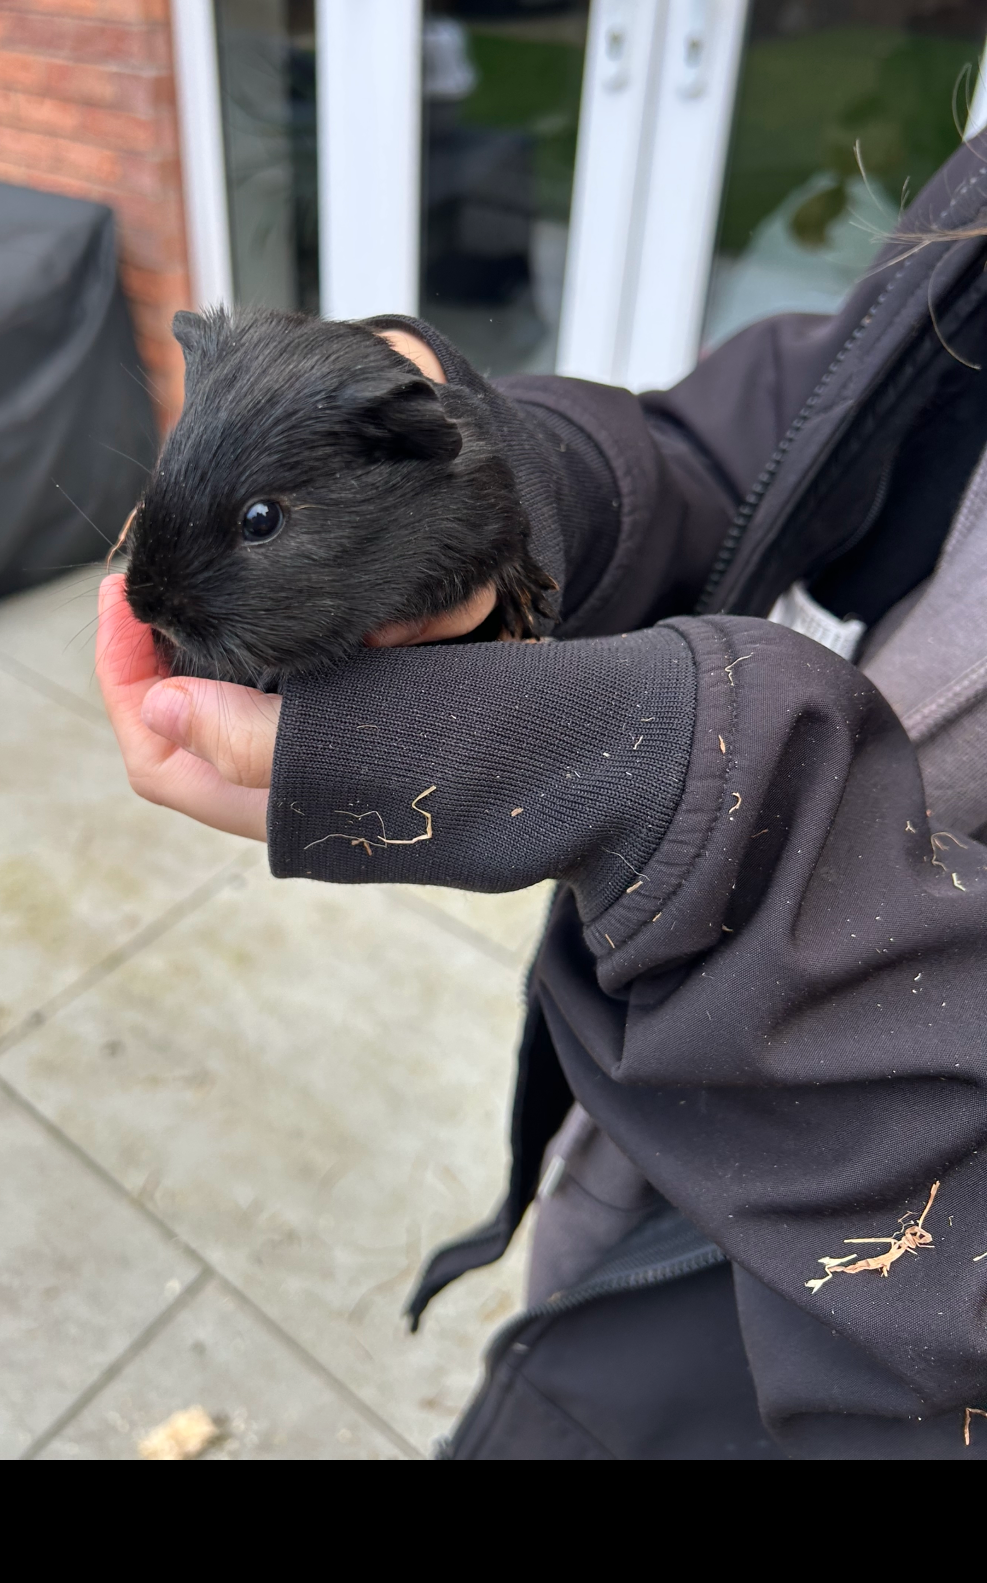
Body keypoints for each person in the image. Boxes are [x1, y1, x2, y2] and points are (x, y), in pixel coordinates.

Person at [98, 137, 987, 1461]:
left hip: (832, 1343)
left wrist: (693, 799)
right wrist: (522, 493)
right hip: (635, 1176)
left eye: (263, 523)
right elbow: (785, 440)